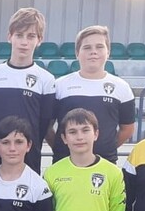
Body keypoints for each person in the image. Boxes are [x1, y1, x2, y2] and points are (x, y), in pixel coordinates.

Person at [0, 7, 55, 174]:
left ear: (39, 39)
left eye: (31, 36)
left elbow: (44, 124)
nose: (24, 42)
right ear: (9, 37)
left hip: (29, 160)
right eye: (19, 35)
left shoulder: (46, 79)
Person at [49, 25, 135, 164]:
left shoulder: (122, 87)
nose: (93, 52)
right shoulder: (59, 85)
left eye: (99, 47)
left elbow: (127, 129)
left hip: (105, 164)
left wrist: (106, 148)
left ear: (108, 52)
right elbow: (47, 127)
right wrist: (62, 148)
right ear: (77, 53)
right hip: (65, 163)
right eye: (87, 47)